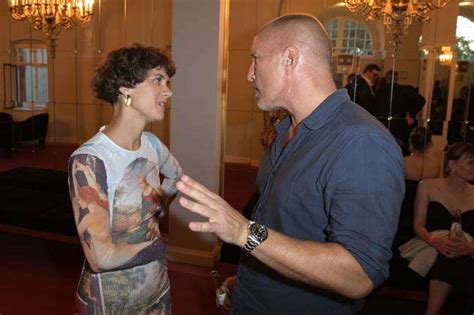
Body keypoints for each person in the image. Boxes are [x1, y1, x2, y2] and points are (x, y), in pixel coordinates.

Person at [176, 14, 404, 314]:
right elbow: (283, 227)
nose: (249, 74)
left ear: (290, 59)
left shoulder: (361, 142)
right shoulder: (287, 129)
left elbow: (358, 275)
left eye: (255, 59)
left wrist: (244, 232)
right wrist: (247, 281)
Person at [68, 44, 183, 314]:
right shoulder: (90, 160)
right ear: (125, 88)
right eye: (158, 80)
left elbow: (177, 176)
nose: (168, 91)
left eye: (168, 82)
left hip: (157, 291)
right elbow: (100, 258)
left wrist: (155, 210)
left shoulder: (152, 144)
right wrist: (155, 246)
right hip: (109, 301)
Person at [411, 142, 474, 315]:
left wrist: (470, 247)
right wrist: (434, 241)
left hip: (467, 247)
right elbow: (418, 224)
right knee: (447, 259)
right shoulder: (427, 186)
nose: (473, 167)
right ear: (452, 164)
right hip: (429, 242)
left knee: (455, 259)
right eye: (470, 162)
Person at [395, 127, 440, 245]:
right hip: (425, 208)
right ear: (429, 143)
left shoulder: (402, 161)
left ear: (411, 142)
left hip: (403, 207)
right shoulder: (435, 165)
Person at [376, 70, 425, 155]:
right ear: (397, 79)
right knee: (401, 152)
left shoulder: (380, 92)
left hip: (383, 125)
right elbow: (421, 100)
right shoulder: (405, 90)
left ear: (386, 79)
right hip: (400, 126)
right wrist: (410, 113)